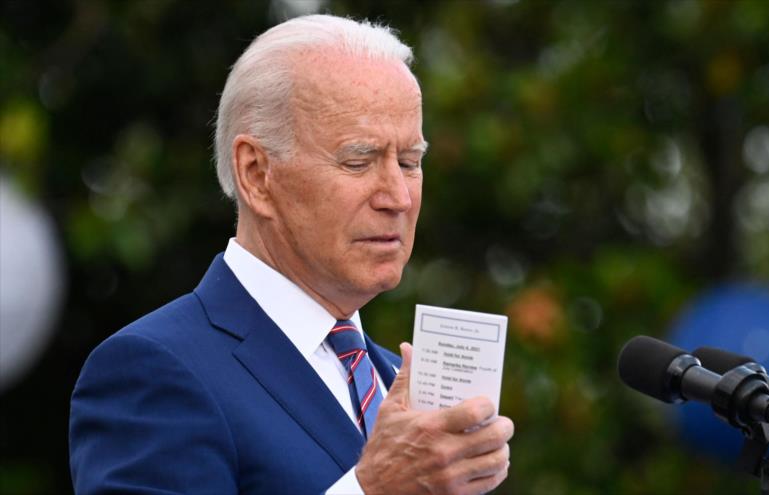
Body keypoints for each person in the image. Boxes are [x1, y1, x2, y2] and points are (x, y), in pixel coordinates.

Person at [69, 14, 514, 495]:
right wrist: (374, 490)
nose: (398, 197)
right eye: (358, 161)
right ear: (257, 174)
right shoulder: (153, 369)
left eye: (409, 162)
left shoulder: (395, 386)